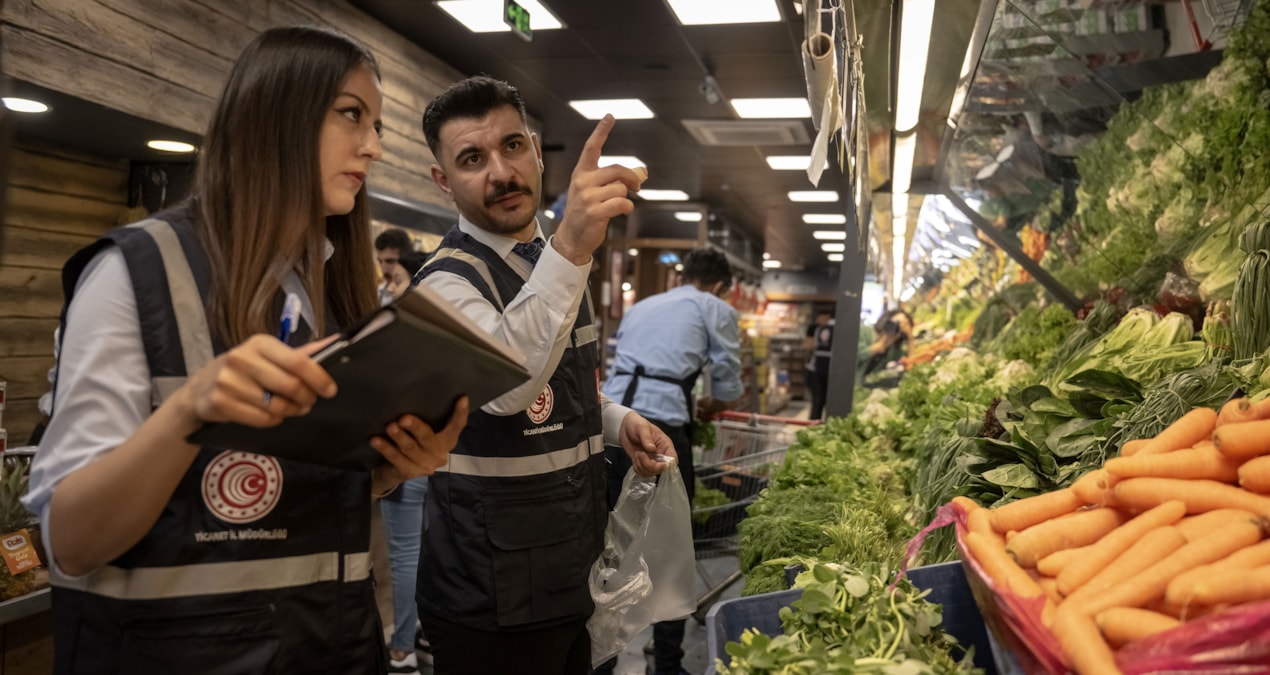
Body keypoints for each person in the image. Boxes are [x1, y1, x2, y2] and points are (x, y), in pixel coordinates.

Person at [22, 26, 467, 674]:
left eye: (376, 125)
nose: (372, 146)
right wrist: (188, 410)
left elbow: (277, 520)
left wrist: (384, 471)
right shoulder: (136, 272)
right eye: (352, 115)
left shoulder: (341, 295)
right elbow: (70, 541)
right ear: (275, 114)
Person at [413, 75, 677, 675]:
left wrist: (617, 422)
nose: (500, 173)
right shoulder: (446, 283)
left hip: (575, 574)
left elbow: (560, 386)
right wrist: (573, 249)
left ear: (535, 149)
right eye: (472, 159)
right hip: (490, 597)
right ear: (443, 180)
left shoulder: (554, 264)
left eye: (511, 147)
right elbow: (507, 388)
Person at [596, 248, 744, 675]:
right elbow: (728, 378)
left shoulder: (644, 304)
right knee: (670, 543)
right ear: (720, 284)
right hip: (659, 433)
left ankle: (602, 653)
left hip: (614, 424)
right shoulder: (713, 307)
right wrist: (713, 403)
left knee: (611, 543)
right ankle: (665, 661)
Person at [380, 248, 432, 675]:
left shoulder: (399, 320)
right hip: (439, 452)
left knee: (404, 554)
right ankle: (423, 633)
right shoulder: (446, 316)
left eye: (394, 277)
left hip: (401, 450)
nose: (388, 284)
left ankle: (401, 650)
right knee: (431, 550)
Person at [804, 309, 832, 420]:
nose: (818, 320)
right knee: (819, 400)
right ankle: (815, 423)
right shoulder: (815, 328)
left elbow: (808, 346)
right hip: (816, 368)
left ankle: (814, 423)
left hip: (816, 368)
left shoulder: (816, 329)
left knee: (818, 400)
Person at [375, 228, 414, 305]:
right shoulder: (377, 293)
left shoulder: (417, 298)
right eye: (380, 261)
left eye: (390, 261)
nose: (384, 269)